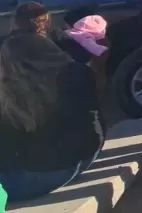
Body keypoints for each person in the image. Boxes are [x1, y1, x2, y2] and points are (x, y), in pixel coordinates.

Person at [0, 33, 104, 202]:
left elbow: (5, 153)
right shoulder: (78, 72)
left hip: (46, 173)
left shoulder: (13, 93)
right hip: (85, 157)